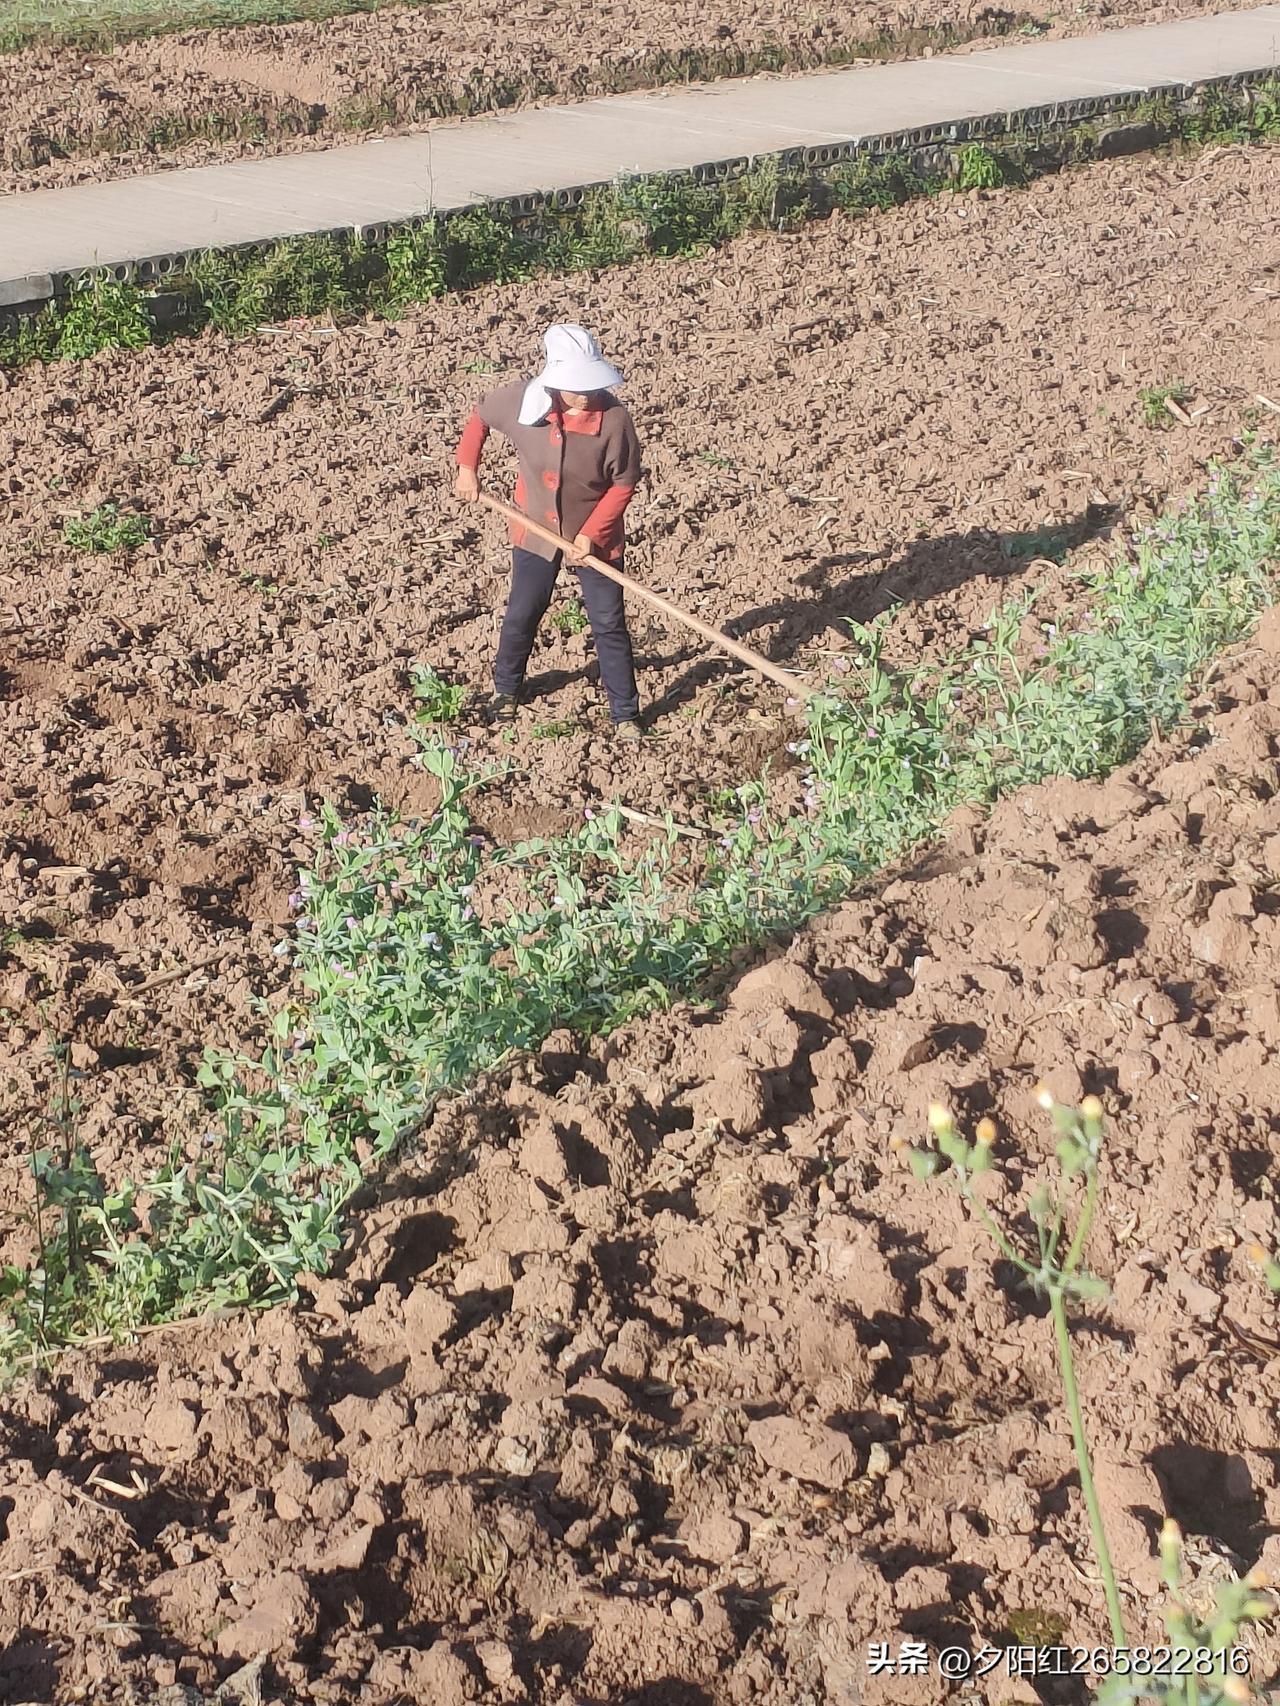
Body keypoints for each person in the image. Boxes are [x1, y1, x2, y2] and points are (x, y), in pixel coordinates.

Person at [454, 324, 645, 743]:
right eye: (576, 387)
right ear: (555, 380)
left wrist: (592, 534)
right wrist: (467, 468)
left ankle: (626, 714)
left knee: (608, 622)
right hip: (536, 527)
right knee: (523, 610)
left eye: (590, 385)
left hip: (596, 536)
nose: (586, 394)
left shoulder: (614, 422)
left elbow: (624, 484)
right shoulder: (524, 403)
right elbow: (480, 416)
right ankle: (506, 690)